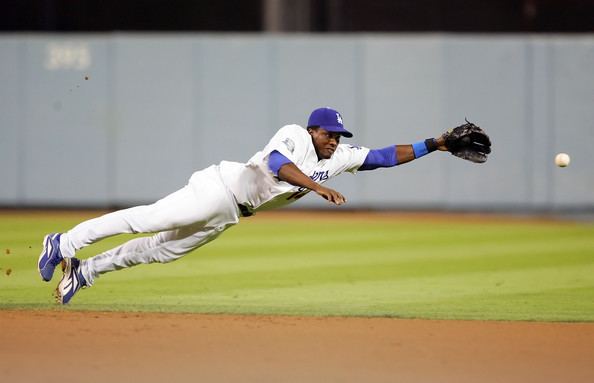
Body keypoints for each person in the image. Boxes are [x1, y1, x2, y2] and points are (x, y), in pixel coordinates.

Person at [38, 107, 489, 304]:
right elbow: (277, 165)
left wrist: (437, 143)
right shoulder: (294, 134)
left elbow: (385, 156)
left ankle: (85, 272)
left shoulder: (340, 156)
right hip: (217, 188)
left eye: (339, 136)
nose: (335, 141)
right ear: (314, 131)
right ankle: (63, 241)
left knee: (158, 249)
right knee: (148, 219)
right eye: (330, 134)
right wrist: (317, 188)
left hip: (231, 213)